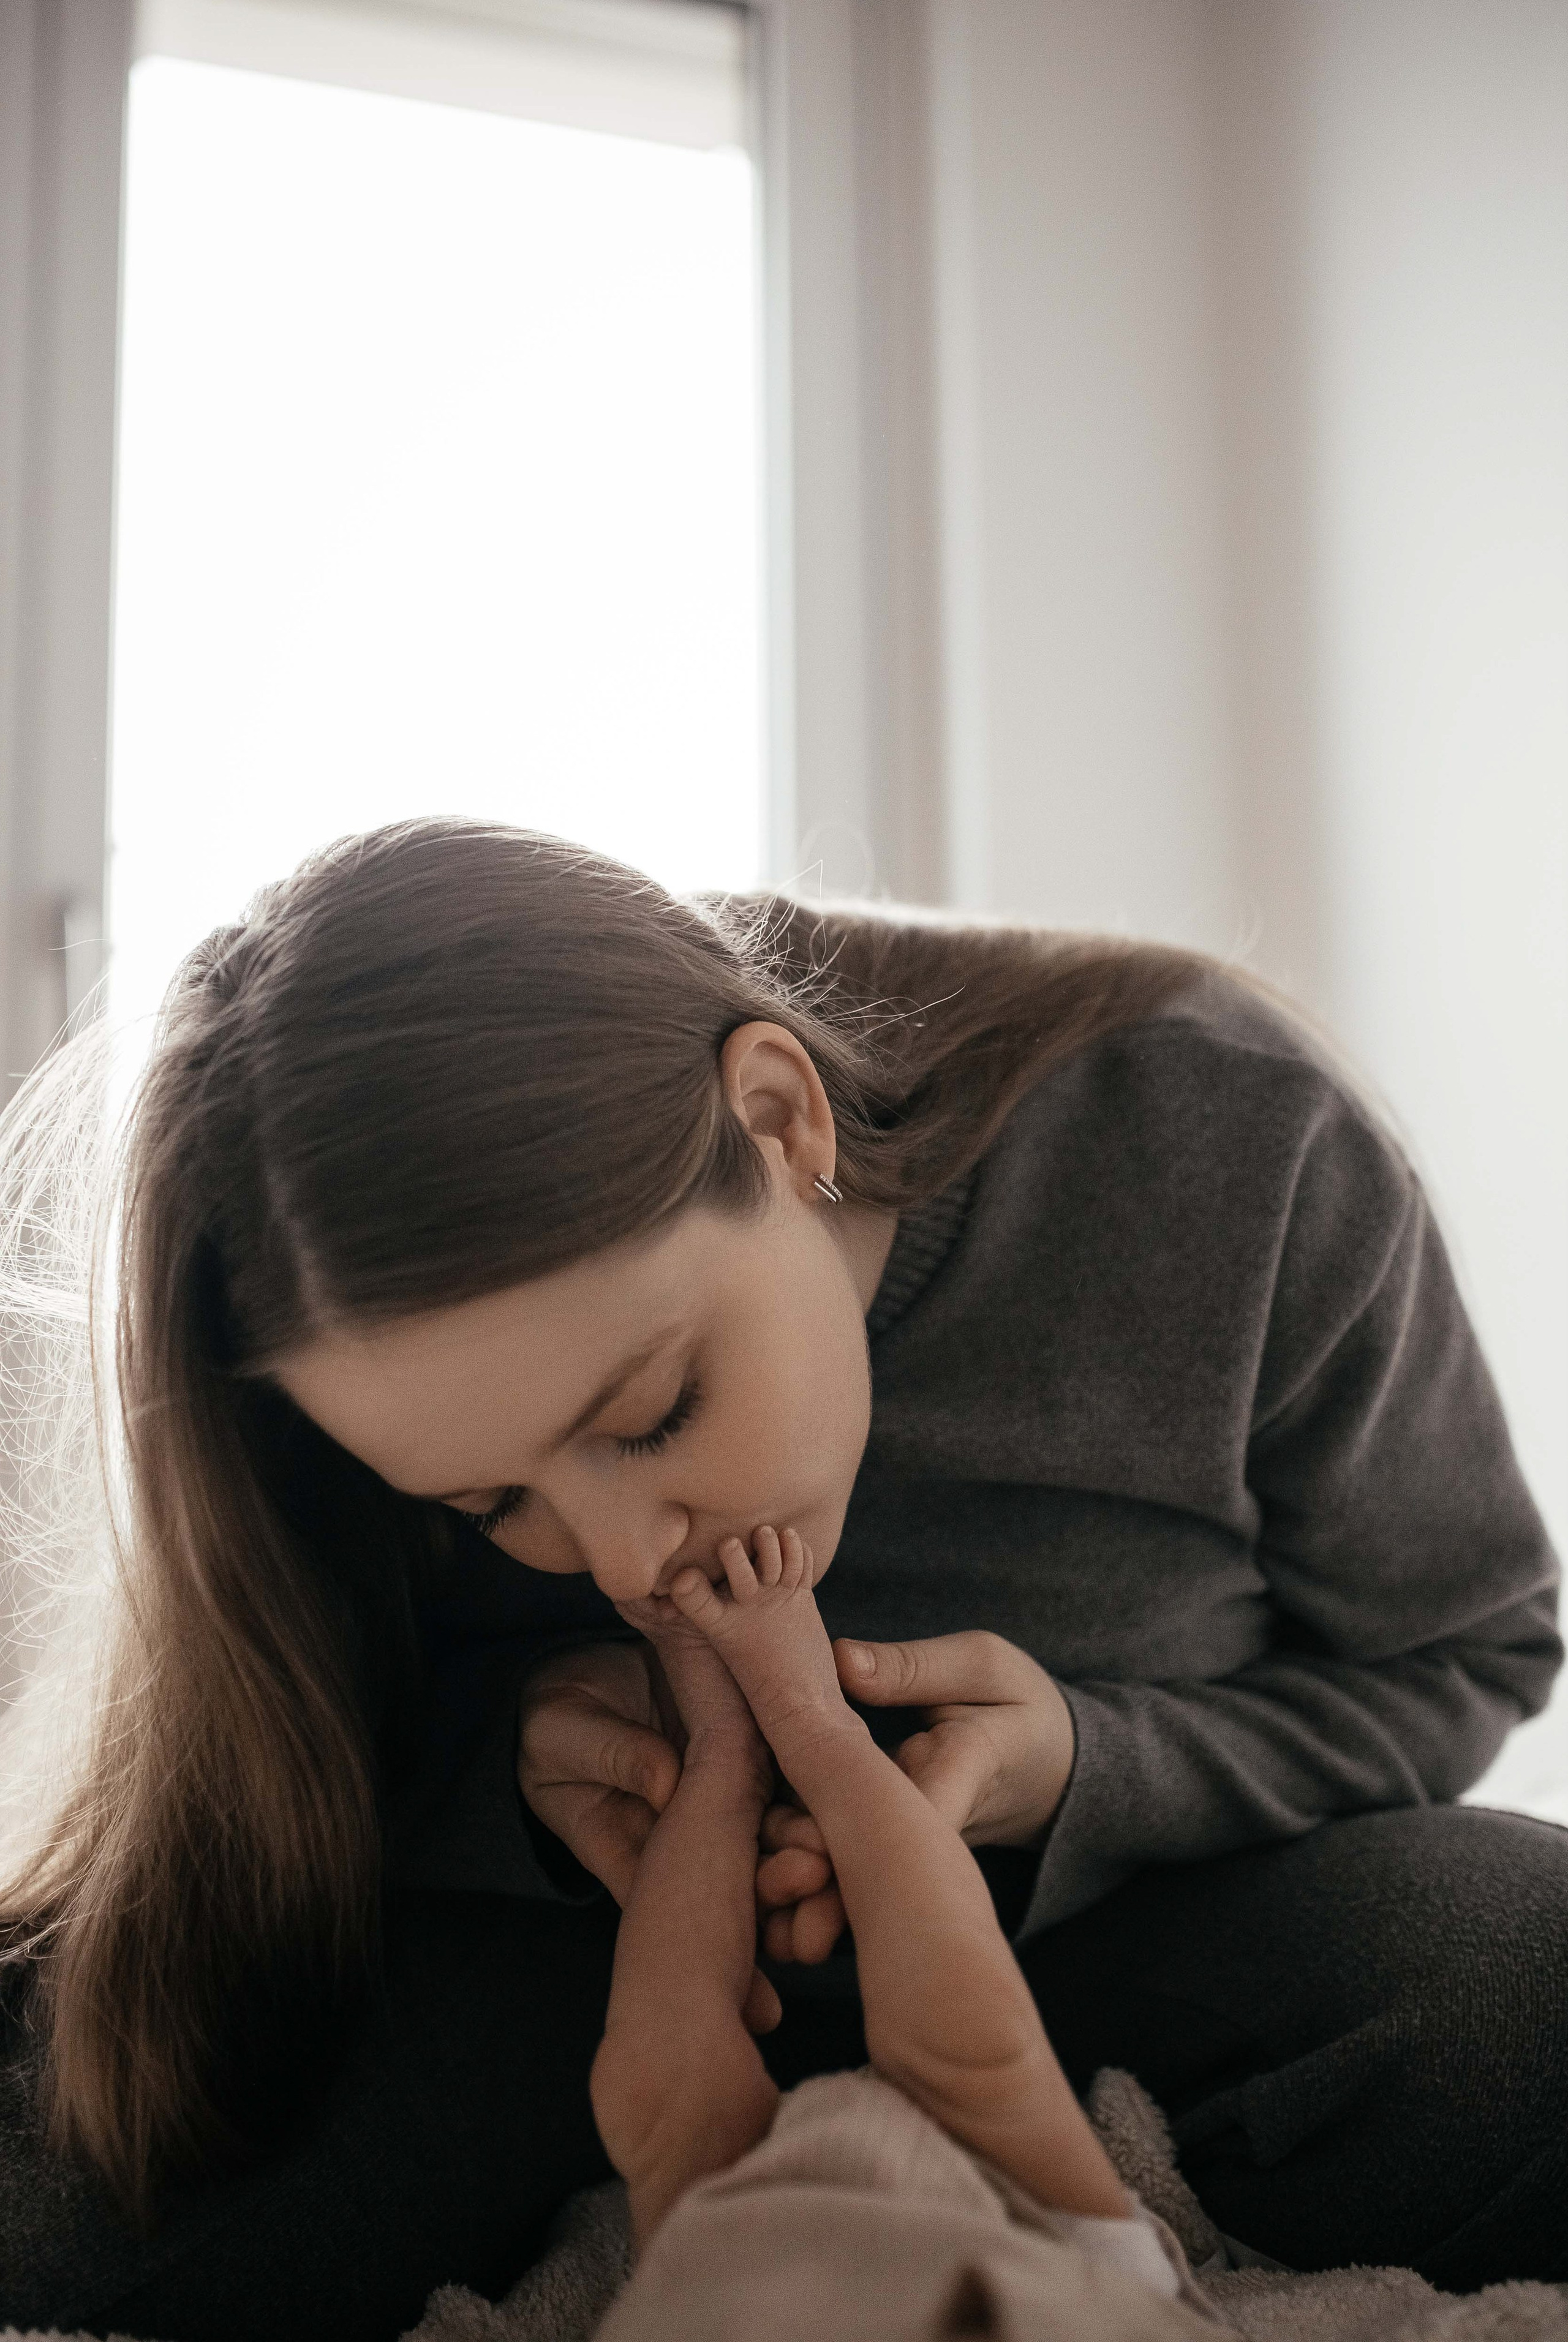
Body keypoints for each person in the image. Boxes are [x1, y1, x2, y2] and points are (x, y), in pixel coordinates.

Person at [0, 819, 1561, 2341]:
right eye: (490, 1508)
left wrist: (1092, 1765)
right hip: (581, 1980)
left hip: (1149, 1930)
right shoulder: (331, 1350)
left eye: (646, 1416)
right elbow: (269, 1798)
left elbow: (1465, 1651)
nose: (624, 1561)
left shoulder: (1225, 1133)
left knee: (1524, 1981)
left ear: (781, 1118)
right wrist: (517, 1772)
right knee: (68, 2139)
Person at [590, 1521, 1218, 2341]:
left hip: (723, 2296)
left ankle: (727, 1750)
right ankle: (807, 1723)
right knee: (970, 2047)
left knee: (664, 2090)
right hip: (1054, 2289)